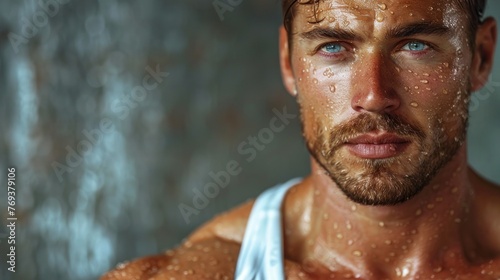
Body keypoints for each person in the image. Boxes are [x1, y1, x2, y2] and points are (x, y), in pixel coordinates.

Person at [102, 0, 499, 278]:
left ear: (481, 57)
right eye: (333, 47)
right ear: (287, 60)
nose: (374, 95)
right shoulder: (200, 272)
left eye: (415, 46)